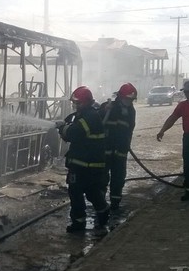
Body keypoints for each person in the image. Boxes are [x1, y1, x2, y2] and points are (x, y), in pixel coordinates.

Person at [58, 86, 110, 232]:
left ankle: (79, 223)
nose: (76, 106)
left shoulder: (88, 117)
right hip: (91, 164)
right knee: (92, 192)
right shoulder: (89, 114)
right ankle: (103, 211)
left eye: (78, 103)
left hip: (83, 164)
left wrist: (62, 128)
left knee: (76, 192)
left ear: (86, 102)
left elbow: (74, 133)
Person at [98, 83, 137, 212]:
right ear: (120, 97)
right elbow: (98, 120)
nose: (129, 102)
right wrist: (104, 110)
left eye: (131, 100)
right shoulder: (109, 107)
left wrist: (126, 146)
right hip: (105, 150)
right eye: (127, 99)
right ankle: (101, 203)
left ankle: (115, 203)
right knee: (102, 177)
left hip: (121, 151)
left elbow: (130, 130)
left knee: (119, 178)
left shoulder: (131, 111)